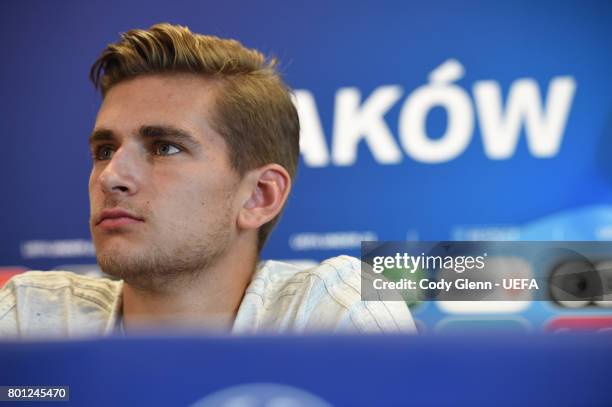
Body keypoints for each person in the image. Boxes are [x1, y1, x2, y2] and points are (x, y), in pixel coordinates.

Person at [0, 23, 415, 337]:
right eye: (104, 151)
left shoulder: (331, 316)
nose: (111, 177)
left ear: (259, 195)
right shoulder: (31, 318)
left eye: (164, 147)